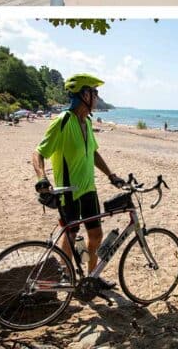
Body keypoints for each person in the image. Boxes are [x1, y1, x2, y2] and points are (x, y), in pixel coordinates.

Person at [32, 74, 125, 292]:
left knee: (96, 235)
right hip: (69, 191)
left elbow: (93, 153)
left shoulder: (88, 122)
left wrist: (111, 175)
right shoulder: (63, 121)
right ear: (84, 94)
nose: (97, 97)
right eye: (95, 92)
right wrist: (42, 179)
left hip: (89, 190)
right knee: (71, 235)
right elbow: (38, 153)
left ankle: (92, 277)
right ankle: (66, 276)